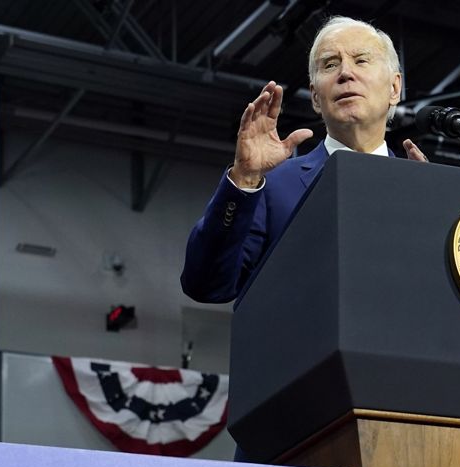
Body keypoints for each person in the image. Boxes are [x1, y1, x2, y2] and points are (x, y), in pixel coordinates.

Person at [180, 16, 427, 304]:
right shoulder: (272, 187)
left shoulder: (422, 190)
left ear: (395, 89)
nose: (346, 73)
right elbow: (206, 284)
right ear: (315, 97)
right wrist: (244, 178)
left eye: (361, 60)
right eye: (330, 64)